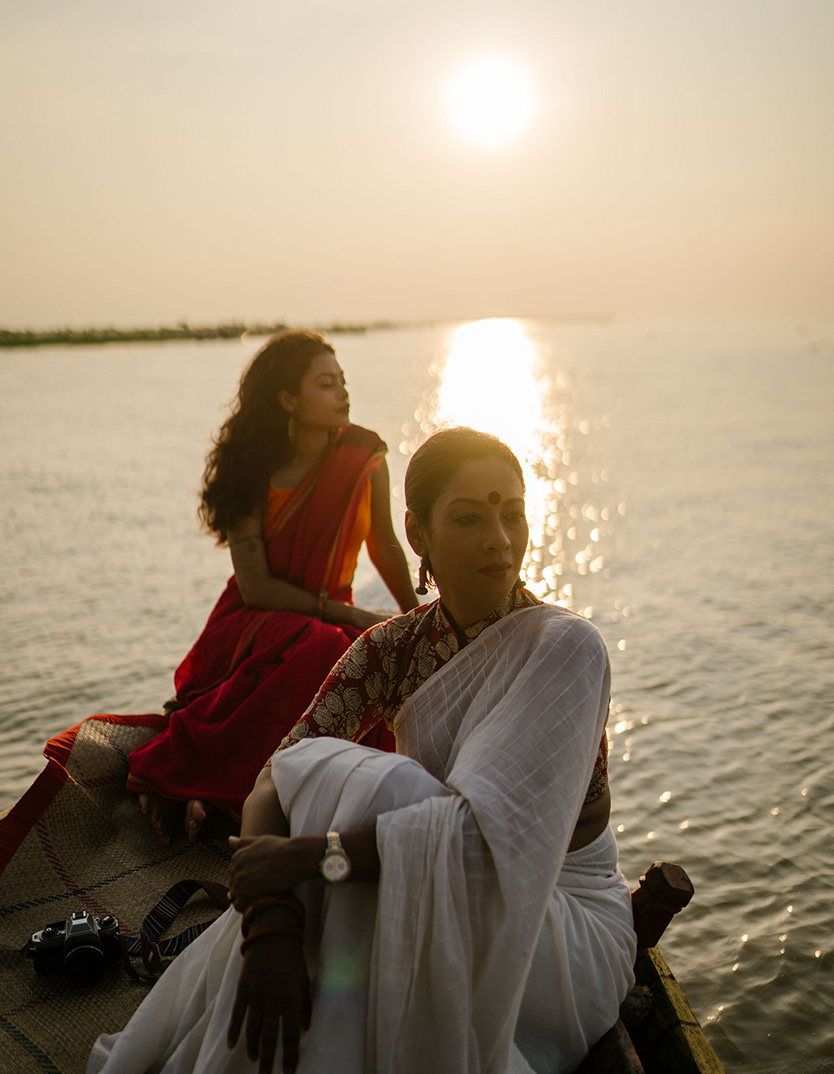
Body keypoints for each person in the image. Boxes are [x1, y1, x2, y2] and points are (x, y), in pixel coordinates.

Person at [89, 427, 636, 1074]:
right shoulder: (392, 650)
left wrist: (301, 861)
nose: (500, 538)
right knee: (358, 812)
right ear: (419, 535)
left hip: (550, 919)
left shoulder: (563, 648)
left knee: (387, 805)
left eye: (512, 513)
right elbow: (281, 773)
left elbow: (484, 850)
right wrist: (270, 921)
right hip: (433, 884)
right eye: (469, 517)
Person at [127, 330, 419, 844]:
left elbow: (385, 546)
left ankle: (238, 797)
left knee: (366, 658)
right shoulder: (251, 470)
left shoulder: (363, 454)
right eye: (325, 384)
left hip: (326, 617)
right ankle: (224, 795)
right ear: (288, 399)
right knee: (327, 647)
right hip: (255, 617)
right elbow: (257, 586)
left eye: (342, 381)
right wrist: (346, 615)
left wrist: (414, 617)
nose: (343, 393)